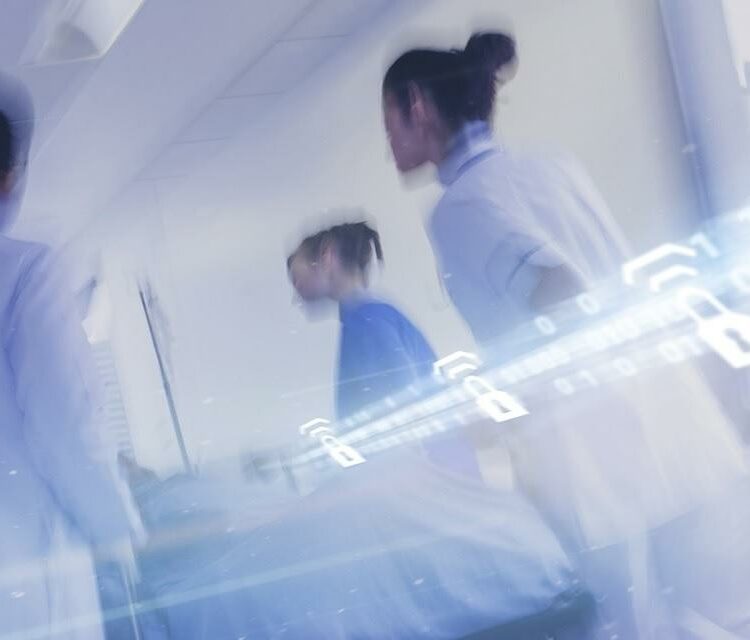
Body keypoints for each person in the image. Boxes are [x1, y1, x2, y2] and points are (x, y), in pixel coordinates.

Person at [382, 32, 750, 637]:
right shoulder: (551, 164)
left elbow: (559, 291)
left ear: (417, 106)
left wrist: (505, 405)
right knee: (696, 615)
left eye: (389, 122)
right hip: (667, 420)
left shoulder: (460, 207)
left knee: (627, 621)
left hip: (591, 451)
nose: (389, 144)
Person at [0, 72, 142, 639]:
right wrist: (118, 532)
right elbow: (68, 424)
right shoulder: (24, 273)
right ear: (9, 179)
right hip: (25, 586)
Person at [288, 219, 481, 478]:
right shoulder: (378, 315)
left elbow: (399, 420)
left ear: (327, 255)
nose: (296, 295)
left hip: (425, 481)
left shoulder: (366, 322)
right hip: (440, 475)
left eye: (297, 279)